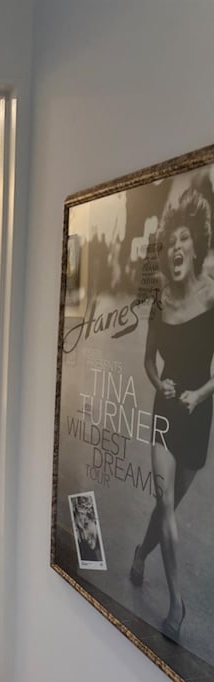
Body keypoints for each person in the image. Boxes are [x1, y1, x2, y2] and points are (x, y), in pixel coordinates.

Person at [131, 187, 214, 641]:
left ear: (196, 243)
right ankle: (176, 602)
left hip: (198, 413)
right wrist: (158, 382)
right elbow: (148, 360)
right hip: (165, 409)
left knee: (169, 508)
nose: (178, 247)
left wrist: (200, 395)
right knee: (165, 503)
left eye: (185, 238)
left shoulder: (212, 298)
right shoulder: (160, 301)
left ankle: (141, 553)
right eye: (172, 241)